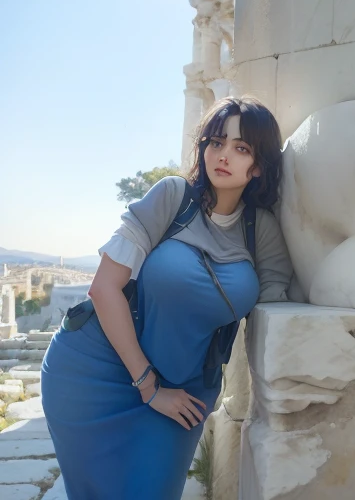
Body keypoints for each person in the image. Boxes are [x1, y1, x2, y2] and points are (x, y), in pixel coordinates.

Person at [40, 96, 293, 499]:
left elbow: (279, 308)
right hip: (94, 371)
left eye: (241, 148)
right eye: (216, 141)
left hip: (186, 390)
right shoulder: (172, 197)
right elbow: (104, 289)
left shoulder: (260, 230)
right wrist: (149, 387)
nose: (223, 155)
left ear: (258, 165)